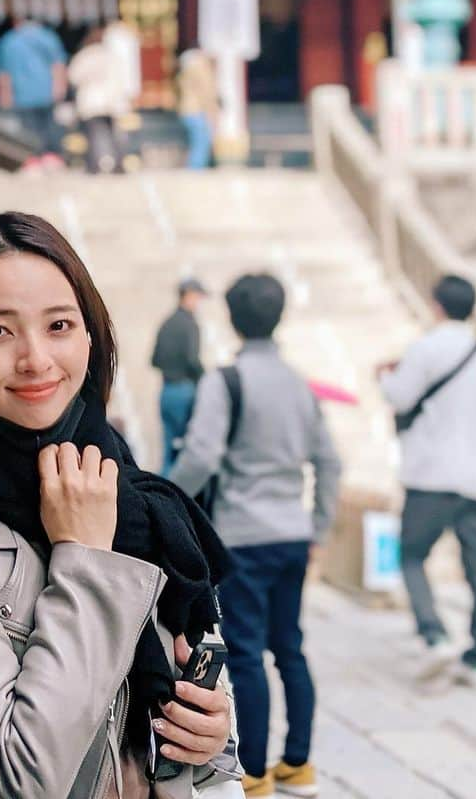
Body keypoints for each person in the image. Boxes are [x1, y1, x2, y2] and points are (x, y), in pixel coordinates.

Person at [0, 213, 242, 798]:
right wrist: (84, 557)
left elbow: (210, 746)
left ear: (90, 336)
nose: (36, 358)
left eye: (59, 325)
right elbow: (26, 773)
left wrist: (210, 736)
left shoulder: (142, 505)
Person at [169, 274, 341, 799]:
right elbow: (329, 461)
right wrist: (318, 526)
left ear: (233, 318)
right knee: (289, 647)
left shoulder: (227, 381)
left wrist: (166, 499)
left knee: (244, 653)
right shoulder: (299, 384)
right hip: (291, 533)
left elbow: (200, 455)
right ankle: (299, 765)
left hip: (242, 536)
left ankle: (254, 772)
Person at [377, 274, 476, 685]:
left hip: (432, 476)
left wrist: (384, 376)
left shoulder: (426, 348)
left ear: (437, 306)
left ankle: (434, 635)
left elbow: (398, 397)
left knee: (411, 556)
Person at [0, 17, 68, 171]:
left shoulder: (8, 41)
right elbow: (58, 65)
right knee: (48, 127)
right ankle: (50, 158)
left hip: (21, 94)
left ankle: (32, 159)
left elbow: (3, 73)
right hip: (46, 92)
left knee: (27, 129)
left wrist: (4, 95)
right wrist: (60, 87)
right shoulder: (48, 37)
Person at [151, 278, 208, 475]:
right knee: (186, 455)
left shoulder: (167, 323)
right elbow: (193, 359)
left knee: (169, 454)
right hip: (185, 391)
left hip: (166, 392)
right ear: (189, 295)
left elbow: (154, 360)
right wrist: (206, 381)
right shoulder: (190, 324)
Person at [67, 27, 127, 174]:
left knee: (94, 135)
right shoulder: (112, 56)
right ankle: (118, 163)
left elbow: (73, 77)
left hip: (92, 101)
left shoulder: (85, 56)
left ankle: (94, 164)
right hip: (111, 101)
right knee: (112, 134)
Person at [176, 49, 219, 170]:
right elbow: (206, 93)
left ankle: (194, 168)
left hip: (187, 110)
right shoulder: (200, 69)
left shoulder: (184, 73)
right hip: (196, 111)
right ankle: (195, 170)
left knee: (197, 142)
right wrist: (212, 111)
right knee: (201, 142)